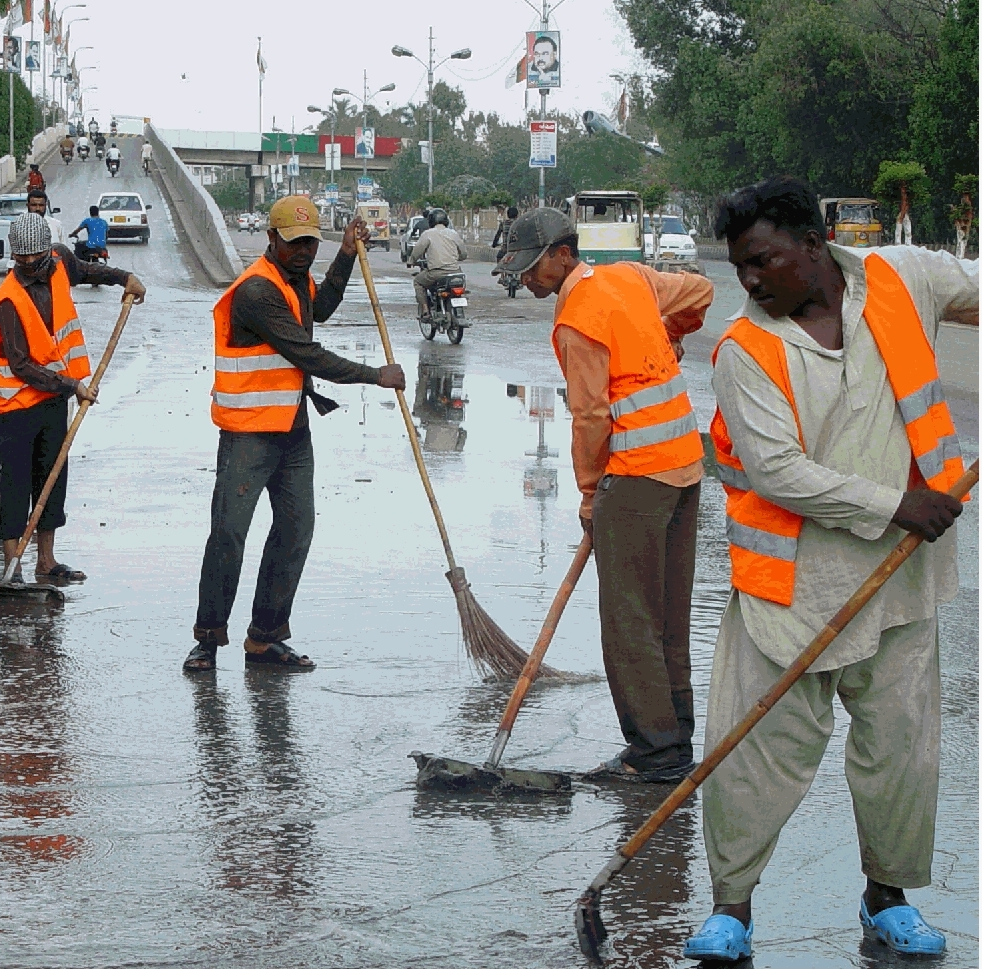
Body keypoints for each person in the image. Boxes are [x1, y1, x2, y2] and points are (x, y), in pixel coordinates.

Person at [681, 177, 975, 962]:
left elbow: (974, 291)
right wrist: (897, 504)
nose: (748, 280)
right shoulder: (746, 351)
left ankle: (888, 898)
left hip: (901, 582)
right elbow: (779, 474)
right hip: (791, 590)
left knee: (901, 755)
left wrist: (904, 515)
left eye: (763, 261)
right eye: (741, 266)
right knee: (752, 756)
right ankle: (731, 909)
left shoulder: (901, 277)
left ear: (814, 245)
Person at [499, 206, 711, 782]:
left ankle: (653, 754)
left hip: (635, 479)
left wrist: (591, 494)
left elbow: (590, 417)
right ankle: (676, 738)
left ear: (564, 254)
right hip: (686, 468)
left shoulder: (576, 320)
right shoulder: (631, 277)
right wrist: (669, 332)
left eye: (533, 266)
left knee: (628, 621)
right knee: (667, 614)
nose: (526, 278)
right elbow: (700, 292)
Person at [183, 198, 405, 672]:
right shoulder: (256, 292)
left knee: (295, 530)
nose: (304, 251)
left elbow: (320, 308)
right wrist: (376, 375)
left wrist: (345, 255)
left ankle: (265, 638)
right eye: (294, 244)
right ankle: (207, 638)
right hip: (248, 436)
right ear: (272, 240)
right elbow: (309, 354)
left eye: (311, 242)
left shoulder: (295, 279)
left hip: (292, 431)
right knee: (228, 535)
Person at [0, 214, 146, 582]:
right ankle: (13, 568)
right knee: (16, 484)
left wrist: (123, 278)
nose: (29, 264)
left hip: (53, 401)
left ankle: (47, 560)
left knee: (52, 478)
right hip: (18, 406)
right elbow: (21, 364)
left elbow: (88, 271)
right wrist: (73, 386)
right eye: (21, 258)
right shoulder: (9, 300)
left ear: (47, 251)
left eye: (35, 256)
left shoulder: (59, 262)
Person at [408, 208, 466, 322]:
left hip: (435, 273)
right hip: (455, 272)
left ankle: (425, 310)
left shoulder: (428, 234)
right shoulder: (453, 234)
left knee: (418, 282)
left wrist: (411, 261)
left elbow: (417, 251)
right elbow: (463, 253)